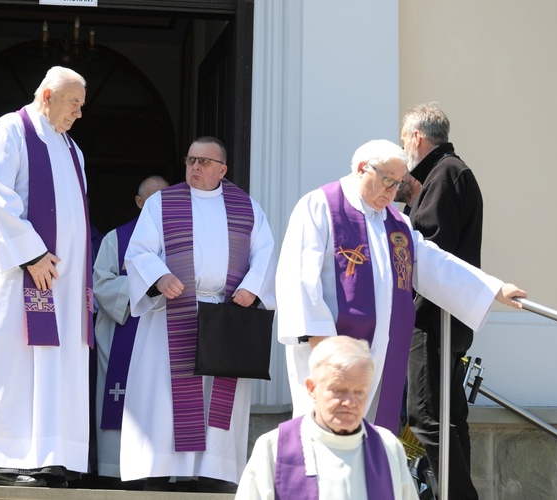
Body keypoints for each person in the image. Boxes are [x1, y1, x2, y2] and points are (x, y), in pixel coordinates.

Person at [275, 139, 526, 435]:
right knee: (324, 431)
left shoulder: (397, 223)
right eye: (386, 181)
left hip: (381, 354)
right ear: (360, 169)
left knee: (370, 436)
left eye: (398, 184)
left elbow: (434, 262)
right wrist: (322, 345)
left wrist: (494, 288)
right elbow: (298, 277)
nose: (393, 193)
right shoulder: (319, 206)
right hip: (329, 349)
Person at [0, 66, 94, 488]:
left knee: (56, 364)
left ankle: (50, 453)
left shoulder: (73, 149)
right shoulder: (8, 131)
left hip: (63, 285)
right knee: (16, 363)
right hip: (19, 279)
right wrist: (32, 254)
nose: (78, 114)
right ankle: (8, 454)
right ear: (48, 96)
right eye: (74, 103)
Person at [121, 137, 276, 491]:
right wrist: (159, 276)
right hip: (172, 315)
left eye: (204, 162)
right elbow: (139, 251)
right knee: (163, 398)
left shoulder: (247, 207)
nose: (195, 167)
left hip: (224, 316)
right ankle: (159, 472)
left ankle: (214, 475)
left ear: (222, 169)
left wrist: (253, 286)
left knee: (216, 403)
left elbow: (265, 253)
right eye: (191, 160)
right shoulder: (162, 203)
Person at [401, 103, 484, 499]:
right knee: (448, 417)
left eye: (404, 139)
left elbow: (430, 253)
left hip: (433, 319)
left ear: (416, 137)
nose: (404, 148)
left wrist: (405, 315)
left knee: (428, 418)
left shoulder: (444, 174)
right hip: (444, 318)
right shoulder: (445, 173)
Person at [236, 336, 419, 499]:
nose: (350, 402)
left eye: (360, 392)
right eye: (339, 390)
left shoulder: (388, 447)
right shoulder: (273, 448)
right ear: (312, 388)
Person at [93, 175, 169, 481]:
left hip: (166, 337)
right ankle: (116, 469)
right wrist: (147, 287)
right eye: (152, 200)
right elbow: (101, 283)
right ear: (139, 203)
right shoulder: (116, 239)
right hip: (125, 331)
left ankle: (164, 470)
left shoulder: (181, 239)